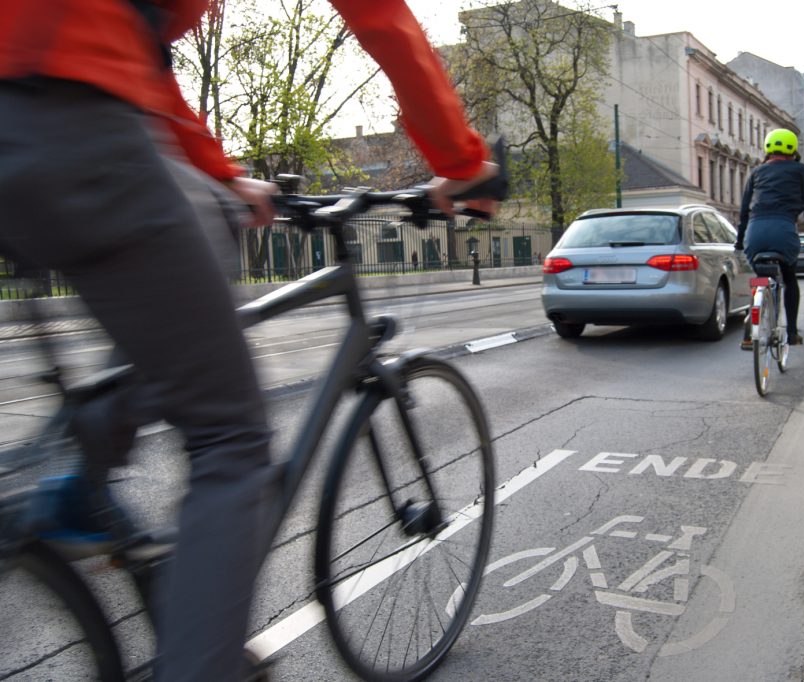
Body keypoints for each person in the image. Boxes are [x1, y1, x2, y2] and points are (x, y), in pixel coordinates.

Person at [0, 2, 498, 680]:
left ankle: (84, 482)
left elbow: (136, 48)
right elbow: (383, 20)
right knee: (231, 439)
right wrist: (462, 160)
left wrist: (222, 172)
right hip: (71, 120)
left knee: (206, 230)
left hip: (38, 114)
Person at [735, 128, 804, 348]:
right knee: (789, 278)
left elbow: (744, 211)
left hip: (755, 234)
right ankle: (792, 333)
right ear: (793, 149)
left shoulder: (756, 172)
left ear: (767, 149)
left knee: (760, 278)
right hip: (783, 231)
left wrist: (739, 242)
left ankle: (750, 328)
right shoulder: (800, 170)